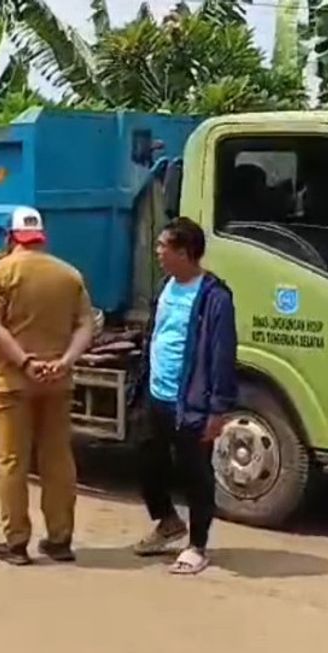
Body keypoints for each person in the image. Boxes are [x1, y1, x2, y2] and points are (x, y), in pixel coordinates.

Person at [0, 206, 94, 566]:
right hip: (58, 383)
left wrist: (25, 362)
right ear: (41, 237)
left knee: (12, 461)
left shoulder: (0, 272)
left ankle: (16, 544)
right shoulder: (68, 275)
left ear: (10, 237)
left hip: (14, 383)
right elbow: (86, 326)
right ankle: (60, 540)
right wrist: (63, 362)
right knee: (57, 460)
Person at [132, 217, 238, 576]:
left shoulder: (214, 297)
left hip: (191, 400)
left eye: (164, 246)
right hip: (156, 394)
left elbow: (223, 354)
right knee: (148, 460)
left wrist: (218, 410)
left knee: (195, 473)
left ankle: (197, 545)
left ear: (184, 252)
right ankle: (166, 522)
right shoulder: (166, 286)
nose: (158, 252)